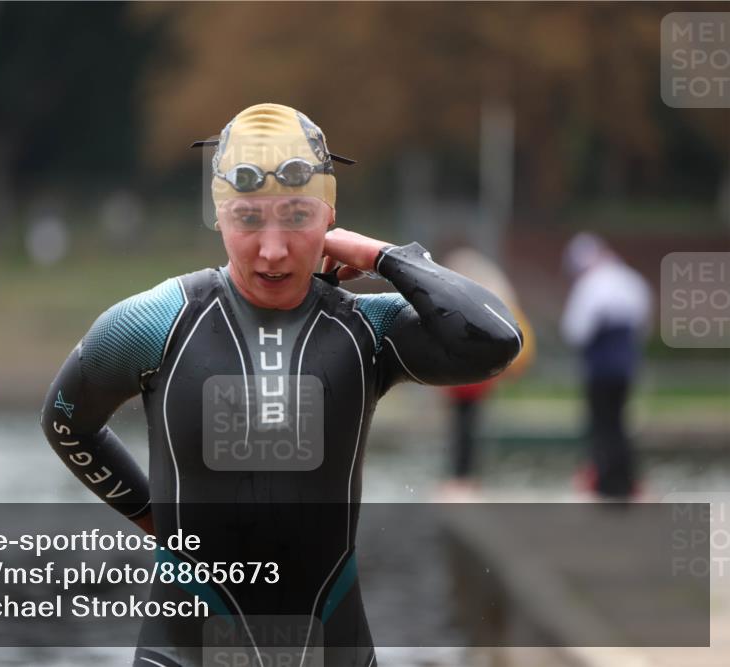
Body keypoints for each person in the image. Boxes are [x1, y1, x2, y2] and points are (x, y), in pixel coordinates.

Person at [40, 103, 523, 667]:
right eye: (248, 218)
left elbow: (496, 341)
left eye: (297, 217)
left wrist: (386, 258)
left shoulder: (367, 328)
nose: (272, 249)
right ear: (218, 217)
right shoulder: (154, 322)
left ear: (330, 217)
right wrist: (152, 514)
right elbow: (65, 422)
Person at [437, 248, 536, 497]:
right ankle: (463, 478)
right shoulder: (487, 293)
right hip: (473, 376)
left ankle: (461, 480)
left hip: (468, 377)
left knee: (464, 429)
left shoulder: (474, 296)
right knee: (465, 427)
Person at [561, 232, 652, 500]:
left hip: (600, 367)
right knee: (619, 422)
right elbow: (643, 323)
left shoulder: (591, 284)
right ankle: (625, 481)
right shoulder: (630, 280)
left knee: (602, 424)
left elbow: (575, 330)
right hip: (625, 366)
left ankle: (607, 483)